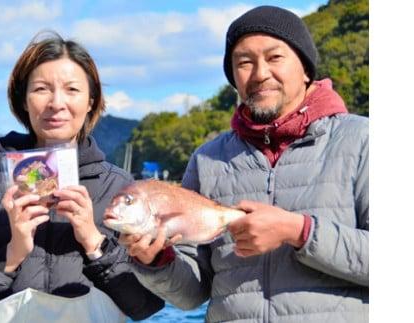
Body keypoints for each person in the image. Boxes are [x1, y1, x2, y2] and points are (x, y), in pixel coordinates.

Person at [120, 6, 368, 323]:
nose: (260, 73)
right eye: (244, 62)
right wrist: (155, 259)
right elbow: (191, 294)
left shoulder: (363, 140)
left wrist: (300, 232)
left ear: (305, 68)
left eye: (275, 57)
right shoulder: (208, 159)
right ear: (234, 78)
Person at [0, 30, 164, 321]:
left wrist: (95, 244)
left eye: (72, 90)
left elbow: (147, 304)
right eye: (41, 89)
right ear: (23, 100)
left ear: (91, 101)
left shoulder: (122, 189)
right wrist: (9, 256)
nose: (57, 103)